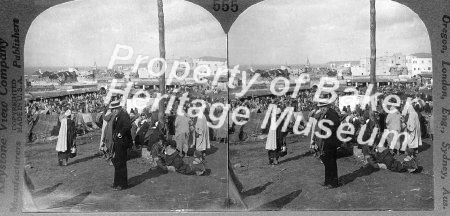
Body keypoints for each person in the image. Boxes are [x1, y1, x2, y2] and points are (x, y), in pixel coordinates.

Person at [315, 95, 341, 188]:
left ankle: (333, 183)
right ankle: (328, 181)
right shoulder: (325, 114)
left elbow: (335, 126)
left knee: (331, 162)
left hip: (331, 141)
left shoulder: (332, 114)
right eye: (320, 107)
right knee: (327, 162)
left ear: (327, 106)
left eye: (322, 107)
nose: (321, 109)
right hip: (327, 141)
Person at [110, 100, 132, 191]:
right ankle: (117, 182)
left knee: (121, 163)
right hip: (118, 142)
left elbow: (128, 126)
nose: (114, 111)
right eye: (113, 109)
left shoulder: (124, 115)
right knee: (117, 162)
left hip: (123, 142)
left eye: (115, 109)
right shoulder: (118, 116)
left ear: (119, 108)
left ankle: (122, 184)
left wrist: (121, 133)